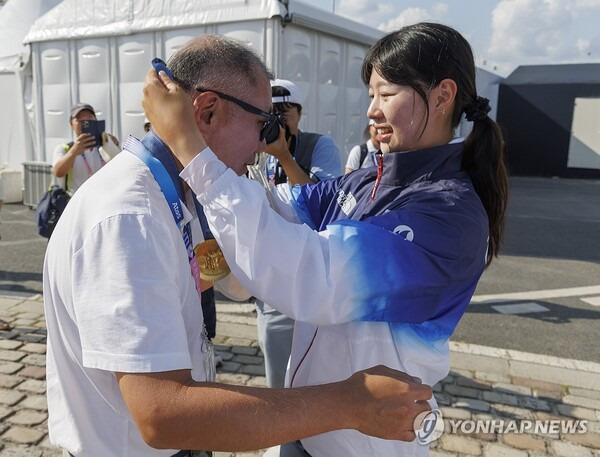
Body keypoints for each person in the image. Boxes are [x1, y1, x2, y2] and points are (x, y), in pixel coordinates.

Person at [42, 35, 431, 456]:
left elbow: (212, 276)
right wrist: (349, 403)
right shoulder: (131, 217)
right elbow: (162, 415)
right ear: (207, 110)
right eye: (261, 123)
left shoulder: (172, 191)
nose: (263, 144)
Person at [143, 21, 509, 457]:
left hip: (367, 442)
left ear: (443, 96)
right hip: (310, 426)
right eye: (371, 95)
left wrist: (193, 151)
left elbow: (317, 278)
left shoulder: (448, 212)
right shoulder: (361, 183)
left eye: (387, 95)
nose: (373, 110)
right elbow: (274, 209)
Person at [256, 79, 343, 388]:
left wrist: (285, 156)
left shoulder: (320, 146)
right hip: (275, 271)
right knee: (276, 366)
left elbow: (326, 203)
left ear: (300, 112)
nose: (277, 119)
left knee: (315, 368)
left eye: (284, 111)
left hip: (312, 272)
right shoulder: (261, 151)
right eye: (270, 112)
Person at [52, 103, 119, 194]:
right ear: (71, 124)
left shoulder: (105, 145)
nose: (85, 122)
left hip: (103, 201)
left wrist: (112, 145)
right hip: (76, 204)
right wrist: (74, 151)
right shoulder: (63, 148)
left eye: (89, 119)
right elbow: (58, 172)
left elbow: (121, 168)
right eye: (80, 120)